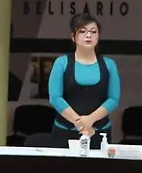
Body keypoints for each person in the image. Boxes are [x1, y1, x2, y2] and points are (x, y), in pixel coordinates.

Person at [48, 13, 120, 148]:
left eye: (93, 32)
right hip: (65, 132)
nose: (88, 35)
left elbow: (113, 99)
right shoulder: (61, 63)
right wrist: (79, 122)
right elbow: (55, 97)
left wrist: (90, 120)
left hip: (99, 132)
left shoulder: (109, 64)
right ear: (73, 37)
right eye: (82, 31)